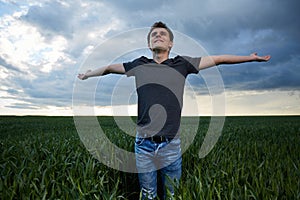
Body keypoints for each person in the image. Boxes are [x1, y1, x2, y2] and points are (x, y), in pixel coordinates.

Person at [78, 21, 271, 199]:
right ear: (149, 44)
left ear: (171, 44)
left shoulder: (181, 64)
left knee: (172, 195)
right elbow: (111, 68)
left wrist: (251, 58)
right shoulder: (140, 64)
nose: (158, 36)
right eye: (154, 34)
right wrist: (88, 74)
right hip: (143, 145)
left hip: (171, 145)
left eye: (163, 34)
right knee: (148, 195)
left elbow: (219, 59)